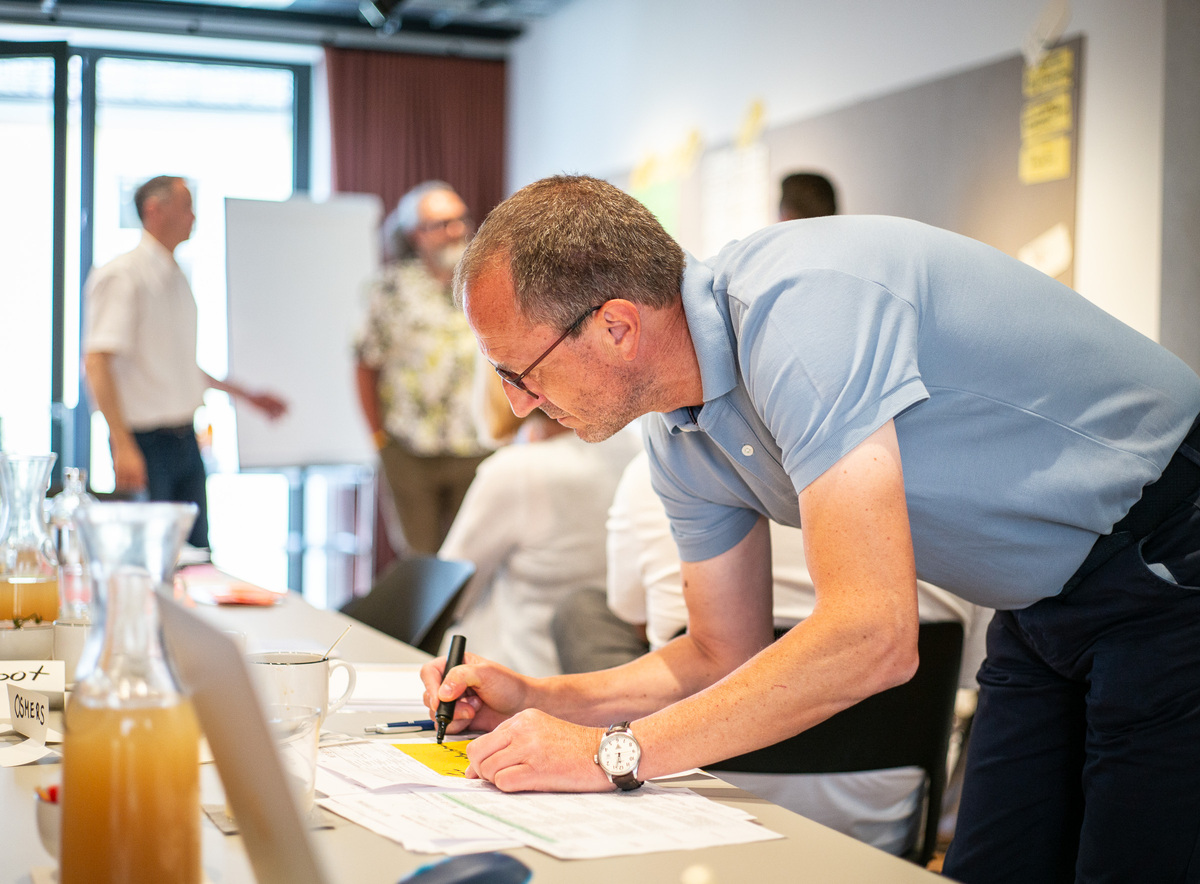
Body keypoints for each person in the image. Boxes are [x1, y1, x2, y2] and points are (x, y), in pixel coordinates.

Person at [422, 175, 1200, 883]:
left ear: (617, 327)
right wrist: (542, 699)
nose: (520, 404)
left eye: (519, 371)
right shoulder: (679, 430)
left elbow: (873, 636)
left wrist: (612, 753)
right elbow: (720, 652)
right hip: (1045, 603)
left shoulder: (800, 310)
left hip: (1170, 550)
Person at [559, 449, 988, 855]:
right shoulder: (958, 493)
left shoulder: (657, 466)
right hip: (876, 824)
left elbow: (632, 611)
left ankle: (607, 748)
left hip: (687, 807)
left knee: (586, 610)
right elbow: (970, 676)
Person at [83, 175, 287, 549]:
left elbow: (179, 365)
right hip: (145, 441)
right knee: (152, 558)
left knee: (196, 553)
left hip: (183, 439)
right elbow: (97, 362)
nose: (193, 217)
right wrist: (122, 443)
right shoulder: (123, 275)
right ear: (153, 211)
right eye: (186, 207)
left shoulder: (176, 276)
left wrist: (247, 396)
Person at [437, 369, 639, 677]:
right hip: (606, 671)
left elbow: (447, 596)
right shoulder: (635, 451)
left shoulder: (515, 471)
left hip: (517, 684)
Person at [355, 181, 491, 555]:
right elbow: (366, 365)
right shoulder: (390, 289)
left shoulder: (485, 283)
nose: (456, 231)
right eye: (441, 223)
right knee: (421, 563)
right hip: (410, 450)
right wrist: (379, 439)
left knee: (472, 558)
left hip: (476, 447)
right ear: (415, 233)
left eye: (460, 220)